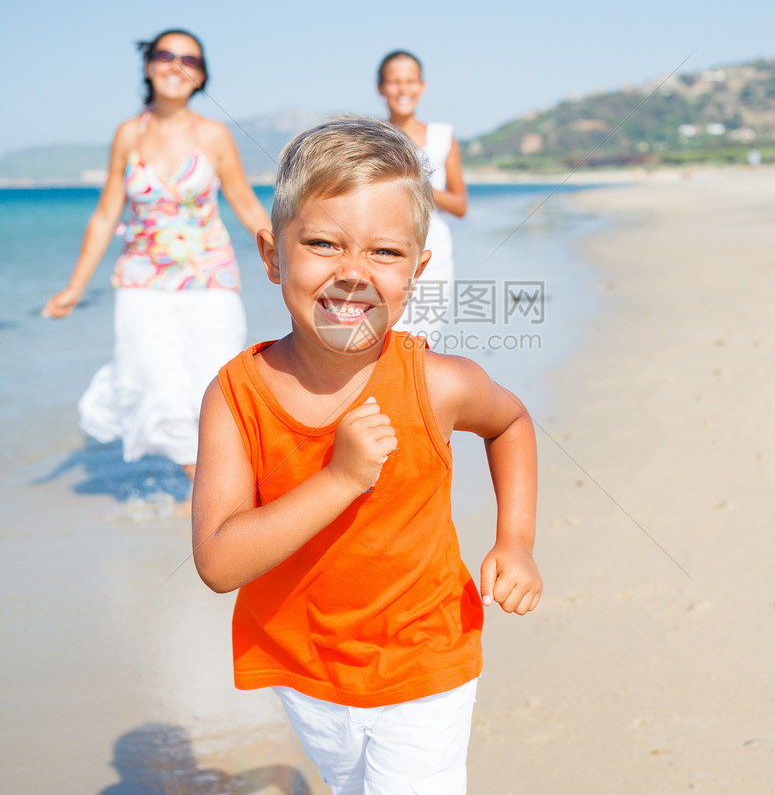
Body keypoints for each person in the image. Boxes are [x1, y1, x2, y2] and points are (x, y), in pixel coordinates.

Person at [192, 116, 541, 795]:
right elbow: (217, 560)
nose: (352, 273)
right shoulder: (235, 395)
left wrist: (516, 539)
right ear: (271, 255)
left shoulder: (436, 382)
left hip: (425, 655)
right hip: (305, 667)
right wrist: (341, 478)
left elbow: (512, 422)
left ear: (416, 271)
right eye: (322, 243)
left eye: (384, 253)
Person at [43, 28, 271, 499]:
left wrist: (288, 256)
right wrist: (74, 287)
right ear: (149, 64)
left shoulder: (213, 135)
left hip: (210, 279)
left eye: (189, 59)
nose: (175, 65)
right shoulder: (130, 133)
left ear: (201, 75)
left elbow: (246, 205)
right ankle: (213, 506)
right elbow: (107, 214)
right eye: (166, 55)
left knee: (215, 387)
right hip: (141, 282)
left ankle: (222, 502)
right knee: (157, 387)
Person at [377, 50, 467, 337]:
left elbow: (460, 205)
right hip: (384, 249)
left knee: (423, 340)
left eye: (411, 81)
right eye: (394, 81)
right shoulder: (372, 136)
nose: (403, 89)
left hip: (434, 251)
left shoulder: (442, 136)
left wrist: (417, 186)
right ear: (381, 87)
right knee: (387, 333)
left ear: (422, 86)